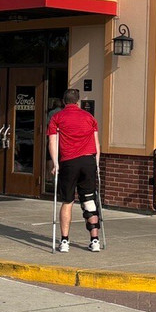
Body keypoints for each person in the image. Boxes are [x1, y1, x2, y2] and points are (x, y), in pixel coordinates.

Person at [47, 88, 102, 253]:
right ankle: (95, 240)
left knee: (67, 201)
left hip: (69, 162)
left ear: (64, 101)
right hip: (88, 161)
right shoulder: (89, 117)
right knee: (89, 200)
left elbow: (52, 142)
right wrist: (96, 164)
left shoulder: (57, 117)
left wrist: (55, 163)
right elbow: (96, 143)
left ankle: (64, 241)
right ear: (78, 102)